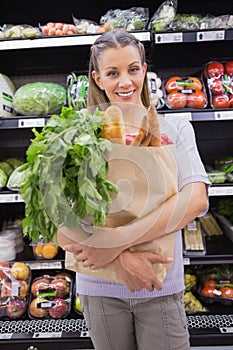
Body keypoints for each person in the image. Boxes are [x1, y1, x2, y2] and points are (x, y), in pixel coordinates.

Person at [59, 30, 210, 350]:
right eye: (112, 73)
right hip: (100, 288)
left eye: (132, 69)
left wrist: (115, 242)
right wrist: (121, 260)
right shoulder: (76, 134)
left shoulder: (174, 126)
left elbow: (195, 199)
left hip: (159, 284)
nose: (125, 82)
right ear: (97, 79)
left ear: (144, 70)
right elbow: (63, 227)